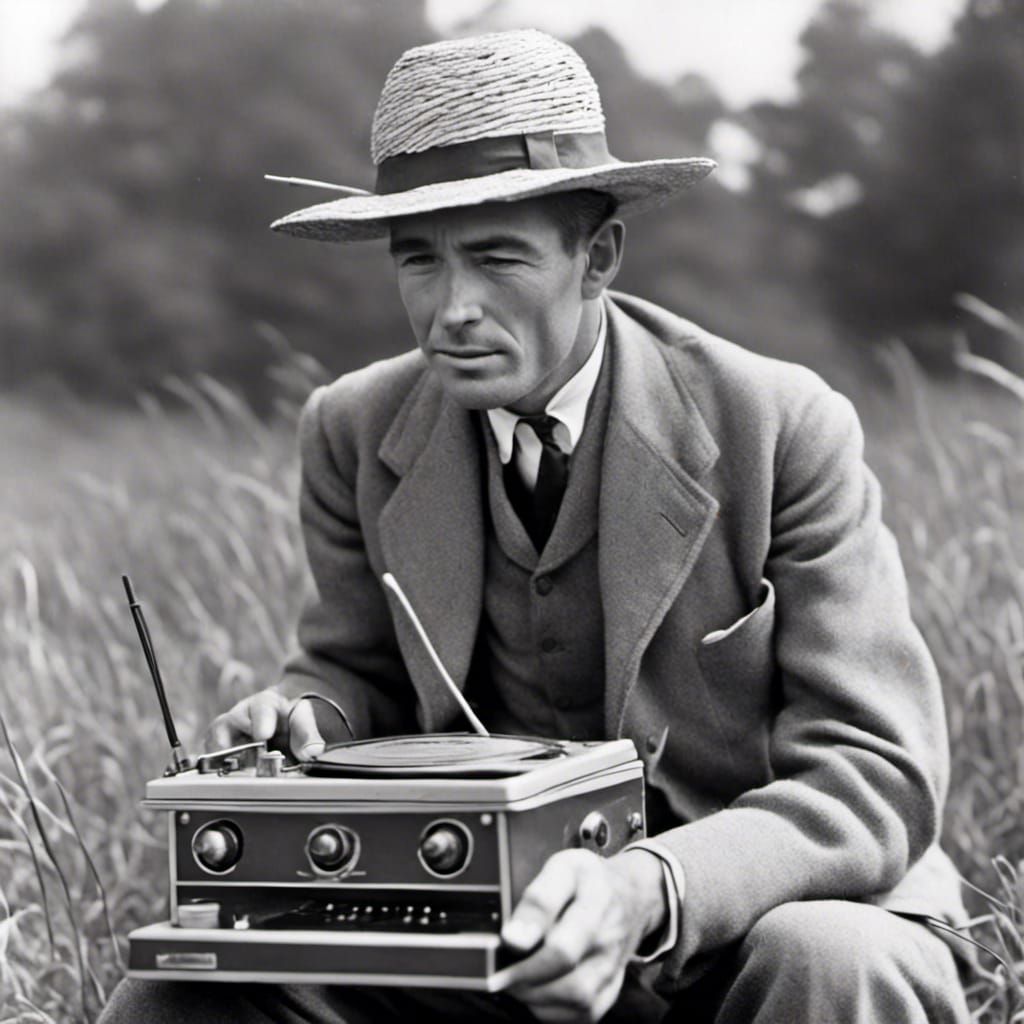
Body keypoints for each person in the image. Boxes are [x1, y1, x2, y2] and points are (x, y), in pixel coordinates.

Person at [102, 28, 972, 1024]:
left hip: (749, 925)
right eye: (419, 262)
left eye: (498, 257)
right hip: (486, 936)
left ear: (597, 255)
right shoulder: (352, 428)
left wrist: (649, 887)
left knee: (828, 959)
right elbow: (356, 672)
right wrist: (303, 718)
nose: (452, 311)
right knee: (185, 985)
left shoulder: (780, 426)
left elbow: (877, 772)